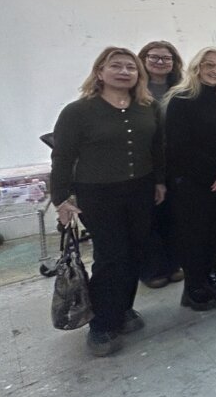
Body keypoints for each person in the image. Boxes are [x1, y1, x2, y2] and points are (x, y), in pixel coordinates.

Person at [51, 47, 165, 357]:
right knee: (111, 255)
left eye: (131, 67)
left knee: (136, 251)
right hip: (98, 193)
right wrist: (61, 198)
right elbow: (62, 157)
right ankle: (101, 323)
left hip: (140, 189)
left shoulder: (147, 106)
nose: (125, 71)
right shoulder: (78, 112)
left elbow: (157, 148)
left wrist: (159, 181)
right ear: (99, 72)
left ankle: (123, 308)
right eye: (116, 66)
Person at [164, 47, 216, 311]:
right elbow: (179, 146)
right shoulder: (181, 99)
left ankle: (211, 275)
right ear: (197, 67)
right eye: (210, 65)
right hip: (193, 182)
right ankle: (194, 286)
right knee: (194, 235)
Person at [136, 40, 184, 289]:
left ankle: (173, 263)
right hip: (146, 161)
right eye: (154, 57)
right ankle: (151, 269)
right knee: (149, 217)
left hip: (175, 161)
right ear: (143, 60)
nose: (160, 62)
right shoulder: (135, 89)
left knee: (173, 215)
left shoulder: (181, 88)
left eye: (166, 58)